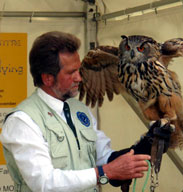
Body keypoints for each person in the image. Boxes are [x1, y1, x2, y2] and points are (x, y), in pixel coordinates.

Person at [0, 31, 171, 192]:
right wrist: (104, 173)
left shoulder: (79, 110)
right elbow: (44, 183)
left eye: (79, 69)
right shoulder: (23, 121)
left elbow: (105, 159)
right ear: (47, 78)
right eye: (71, 72)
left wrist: (148, 144)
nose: (79, 78)